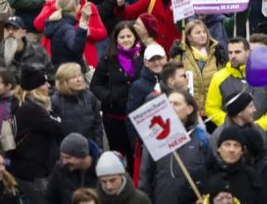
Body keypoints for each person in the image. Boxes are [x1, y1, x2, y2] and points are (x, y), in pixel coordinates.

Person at [139, 90, 208, 204]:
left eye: (176, 104)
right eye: (168, 104)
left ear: (189, 109)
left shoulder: (202, 138)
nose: (170, 108)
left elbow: (210, 173)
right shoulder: (156, 137)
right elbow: (145, 175)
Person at [90, 22, 143, 169]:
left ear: (135, 37)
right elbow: (95, 85)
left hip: (137, 116)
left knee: (135, 154)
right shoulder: (108, 59)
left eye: (129, 36)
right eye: (122, 37)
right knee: (118, 156)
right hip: (114, 117)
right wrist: (110, 97)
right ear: (116, 39)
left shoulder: (143, 57)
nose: (126, 40)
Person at [205, 38, 267, 132]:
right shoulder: (218, 77)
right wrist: (232, 123)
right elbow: (211, 108)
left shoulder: (266, 73)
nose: (233, 56)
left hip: (263, 135)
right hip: (232, 135)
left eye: (237, 52)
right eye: (230, 52)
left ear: (248, 52)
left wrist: (260, 125)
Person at [11, 65, 64, 203]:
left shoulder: (23, 105)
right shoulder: (32, 109)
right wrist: (54, 115)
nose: (48, 86)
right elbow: (58, 126)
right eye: (44, 83)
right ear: (35, 88)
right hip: (33, 172)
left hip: (26, 168)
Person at [51, 63, 103, 147]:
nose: (78, 79)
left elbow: (97, 125)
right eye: (73, 77)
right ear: (63, 81)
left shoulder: (89, 96)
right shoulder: (55, 101)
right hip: (68, 151)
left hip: (90, 148)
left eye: (79, 75)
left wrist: (98, 147)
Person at [46, 133, 98, 204]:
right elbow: (50, 199)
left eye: (68, 157)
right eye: (62, 157)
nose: (64, 162)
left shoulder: (102, 170)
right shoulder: (60, 169)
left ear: (82, 155)